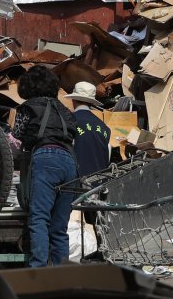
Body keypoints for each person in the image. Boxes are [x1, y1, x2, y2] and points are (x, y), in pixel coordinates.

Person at [13, 66, 77, 268]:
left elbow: (17, 135)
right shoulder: (65, 110)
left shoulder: (28, 107)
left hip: (45, 158)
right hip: (69, 162)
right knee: (59, 227)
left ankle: (39, 272)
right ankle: (62, 275)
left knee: (39, 219)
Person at [69, 81, 112, 179]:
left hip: (75, 184)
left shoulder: (68, 121)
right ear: (91, 102)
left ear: (73, 99)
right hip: (99, 183)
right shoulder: (105, 128)